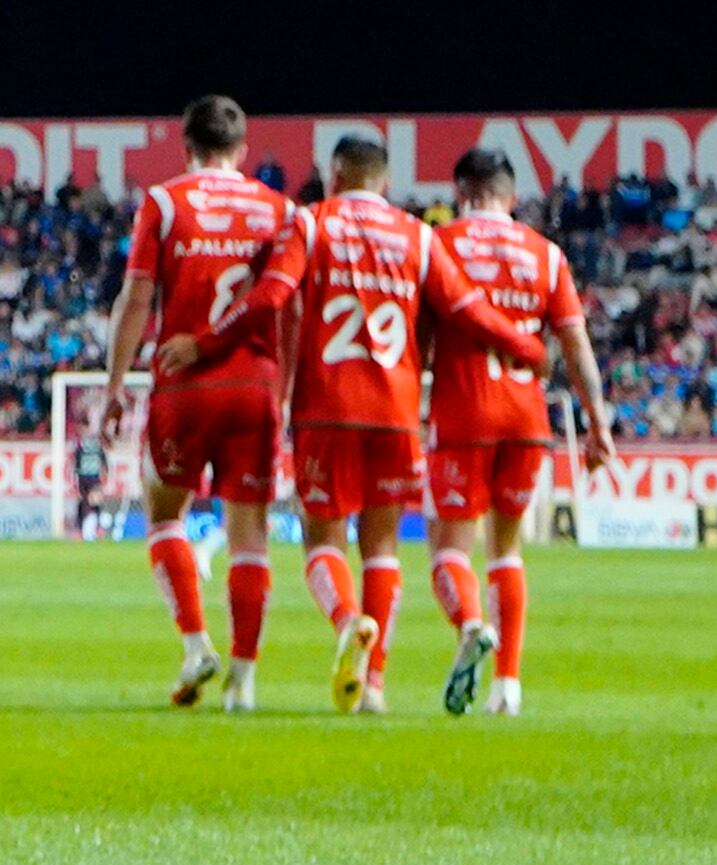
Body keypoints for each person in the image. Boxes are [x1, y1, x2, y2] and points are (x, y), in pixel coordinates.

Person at [162, 135, 541, 713]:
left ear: (334, 177)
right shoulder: (418, 235)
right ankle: (375, 690)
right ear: (385, 183)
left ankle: (346, 621)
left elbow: (270, 297)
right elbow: (466, 308)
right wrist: (527, 348)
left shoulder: (312, 225)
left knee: (323, 538)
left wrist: (207, 343)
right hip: (397, 411)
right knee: (383, 546)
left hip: (328, 408)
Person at [94, 97, 295, 710]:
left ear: (186, 145)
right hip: (254, 385)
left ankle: (195, 644)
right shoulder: (279, 210)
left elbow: (135, 298)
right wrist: (281, 393)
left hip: (184, 385)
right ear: (243, 148)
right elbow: (286, 305)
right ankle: (244, 681)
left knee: (163, 517)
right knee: (250, 536)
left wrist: (114, 386)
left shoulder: (164, 202)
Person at [427, 145, 614, 716]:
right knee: (507, 550)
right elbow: (575, 345)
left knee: (449, 548)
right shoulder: (546, 254)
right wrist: (597, 424)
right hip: (528, 420)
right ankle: (508, 687)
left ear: (461, 191)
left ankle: (470, 625)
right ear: (512, 195)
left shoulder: (439, 245)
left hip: (464, 414)